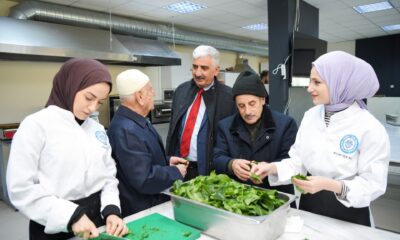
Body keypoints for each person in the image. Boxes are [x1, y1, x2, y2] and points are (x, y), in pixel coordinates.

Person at [251, 51, 390, 226]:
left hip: (349, 212)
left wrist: (331, 185)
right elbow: (298, 162)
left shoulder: (369, 127)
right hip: (311, 206)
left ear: (339, 83)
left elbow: (373, 184)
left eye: (317, 82)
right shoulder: (311, 116)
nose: (309, 88)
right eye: (310, 81)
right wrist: (272, 168)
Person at [6, 58, 128, 240]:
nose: (92, 108)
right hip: (53, 223)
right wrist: (71, 216)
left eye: (100, 102)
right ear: (70, 86)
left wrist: (111, 210)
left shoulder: (96, 129)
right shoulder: (36, 126)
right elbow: (20, 188)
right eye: (89, 98)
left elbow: (108, 177)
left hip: (98, 221)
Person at [107, 69, 187, 217]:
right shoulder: (126, 130)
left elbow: (139, 160)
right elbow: (144, 179)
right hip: (141, 212)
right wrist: (175, 172)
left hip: (149, 206)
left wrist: (167, 161)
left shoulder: (134, 121)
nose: (154, 93)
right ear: (140, 96)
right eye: (150, 89)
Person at [213, 70, 297, 195]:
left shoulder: (285, 125)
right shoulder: (225, 126)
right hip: (239, 197)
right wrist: (231, 164)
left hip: (276, 195)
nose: (247, 111)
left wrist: (270, 169)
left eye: (252, 104)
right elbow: (217, 157)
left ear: (263, 100)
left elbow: (293, 162)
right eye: (241, 106)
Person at [166, 45, 236, 180]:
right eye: (195, 66)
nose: (198, 73)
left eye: (204, 68)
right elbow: (172, 132)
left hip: (211, 172)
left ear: (216, 70)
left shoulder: (228, 98)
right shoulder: (181, 91)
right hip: (179, 167)